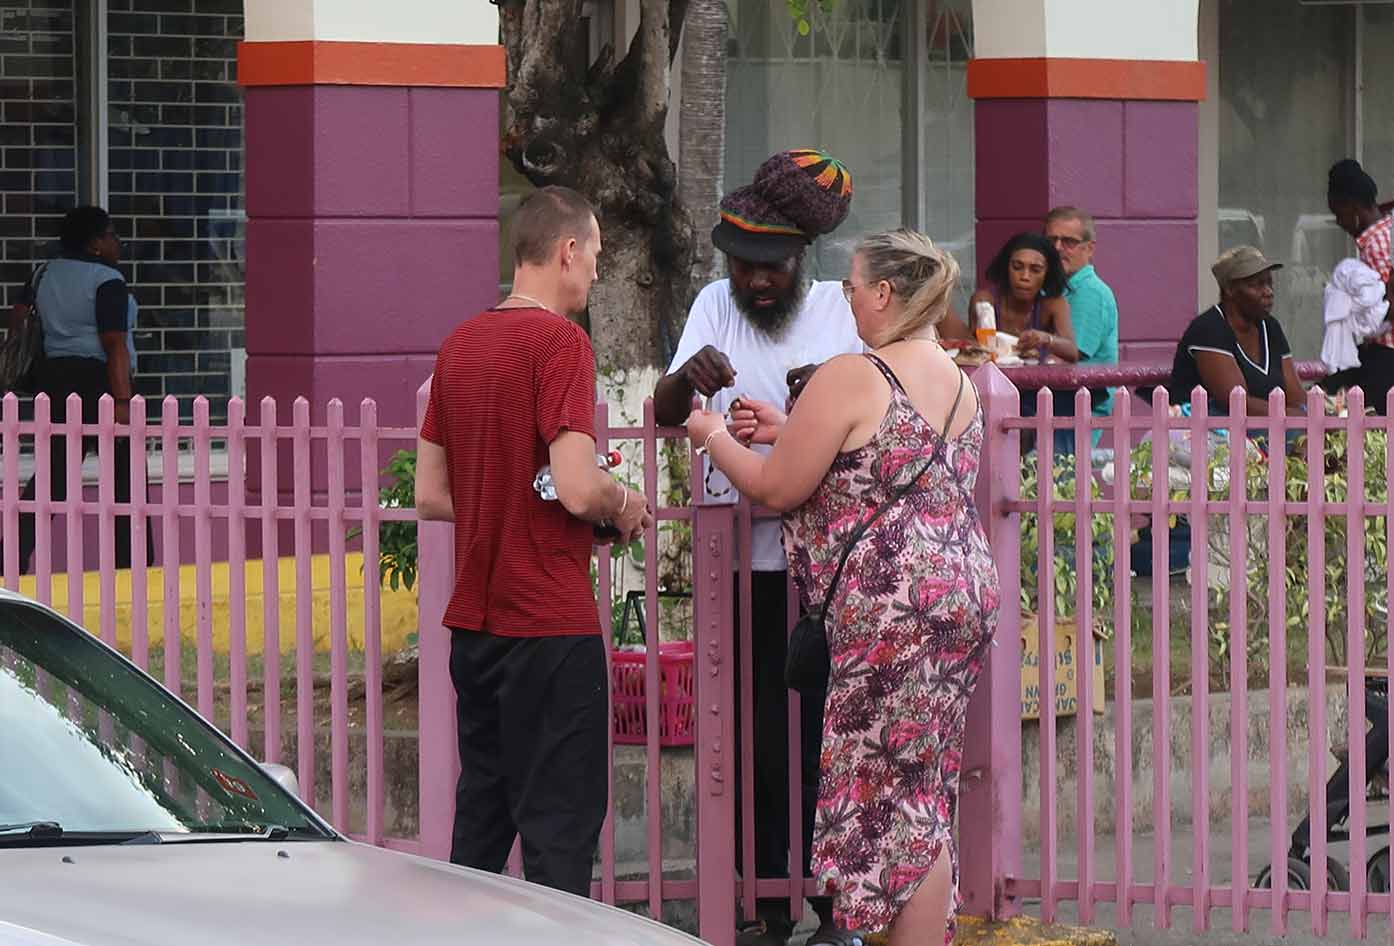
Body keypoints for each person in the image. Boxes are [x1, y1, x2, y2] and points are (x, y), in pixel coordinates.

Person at [688, 228, 999, 946]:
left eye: (854, 287)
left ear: (885, 293)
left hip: (891, 609)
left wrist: (710, 432)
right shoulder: (954, 379)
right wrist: (783, 428)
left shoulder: (853, 372)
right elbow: (872, 457)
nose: (846, 299)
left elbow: (777, 485)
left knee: (886, 793)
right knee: (922, 790)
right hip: (959, 595)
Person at [414, 185, 653, 896]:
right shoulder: (560, 343)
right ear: (567, 250)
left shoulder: (459, 344)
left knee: (482, 824)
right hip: (549, 622)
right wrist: (626, 501)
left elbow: (431, 494)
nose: (596, 275)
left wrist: (508, 503)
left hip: (477, 629)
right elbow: (578, 488)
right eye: (597, 257)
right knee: (559, 834)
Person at [652, 149, 864, 946]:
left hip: (818, 560)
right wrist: (688, 376)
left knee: (819, 738)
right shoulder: (712, 303)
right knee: (749, 741)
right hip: (736, 562)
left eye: (771, 268)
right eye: (744, 268)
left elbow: (866, 399)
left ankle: (834, 909)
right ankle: (766, 904)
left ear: (801, 260)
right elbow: (671, 408)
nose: (756, 283)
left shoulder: (840, 311)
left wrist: (817, 389)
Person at [4, 205, 148, 571]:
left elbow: (19, 320)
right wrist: (121, 401)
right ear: (96, 242)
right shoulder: (107, 280)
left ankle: (10, 556)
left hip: (54, 379)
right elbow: (114, 342)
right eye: (113, 235)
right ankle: (133, 564)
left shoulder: (43, 273)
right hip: (99, 380)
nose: (118, 243)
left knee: (54, 473)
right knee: (126, 479)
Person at [1168, 245, 1305, 416]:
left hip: (1266, 432)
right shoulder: (1208, 329)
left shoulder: (1271, 327)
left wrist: (1311, 418)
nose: (1268, 292)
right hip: (1204, 434)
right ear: (1230, 290)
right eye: (1257, 285)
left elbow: (1298, 398)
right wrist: (1303, 418)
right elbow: (1238, 404)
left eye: (1269, 283)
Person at [941, 232, 1078, 363]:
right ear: (1006, 268)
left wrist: (1046, 339)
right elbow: (978, 349)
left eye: (1035, 270)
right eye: (1017, 267)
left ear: (1047, 273)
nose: (1024, 276)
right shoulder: (985, 300)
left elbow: (1072, 352)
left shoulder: (1053, 304)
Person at [1324, 159, 1394, 413]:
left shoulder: (1376, 245)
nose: (1339, 222)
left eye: (1338, 214)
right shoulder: (1389, 230)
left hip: (1386, 355)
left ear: (1352, 207)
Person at [1044, 206, 1119, 416]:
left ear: (1090, 248)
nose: (1057, 248)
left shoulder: (1090, 292)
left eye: (1069, 242)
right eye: (1051, 241)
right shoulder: (1053, 287)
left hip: (1081, 407)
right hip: (1056, 402)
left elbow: (1070, 353)